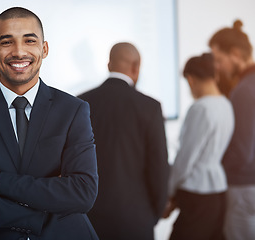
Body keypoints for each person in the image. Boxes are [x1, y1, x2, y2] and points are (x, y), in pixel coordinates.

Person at [0, 7, 99, 240]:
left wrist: (2, 183)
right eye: (7, 42)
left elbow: (83, 192)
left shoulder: (73, 110)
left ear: (44, 49)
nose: (19, 52)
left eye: (29, 41)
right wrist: (41, 213)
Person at [78, 42, 169, 240]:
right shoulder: (150, 107)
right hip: (136, 219)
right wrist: (153, 214)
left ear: (109, 65)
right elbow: (159, 168)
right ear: (136, 67)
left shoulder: (80, 103)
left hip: (88, 220)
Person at [164, 53, 234, 240]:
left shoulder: (200, 108)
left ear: (191, 79)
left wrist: (169, 192)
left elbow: (186, 158)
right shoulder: (225, 104)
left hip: (197, 192)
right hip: (218, 190)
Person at [209, 20, 255, 240]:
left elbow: (241, 151)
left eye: (219, 60)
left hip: (243, 187)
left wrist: (214, 171)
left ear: (235, 54)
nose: (217, 67)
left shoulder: (244, 90)